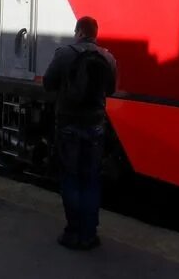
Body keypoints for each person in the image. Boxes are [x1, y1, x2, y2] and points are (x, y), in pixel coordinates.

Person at [43, 16, 117, 251]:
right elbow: (111, 89)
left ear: (79, 32)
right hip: (95, 126)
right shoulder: (108, 57)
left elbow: (48, 83)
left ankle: (73, 231)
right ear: (95, 33)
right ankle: (90, 233)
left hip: (68, 125)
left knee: (71, 178)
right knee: (91, 179)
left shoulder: (64, 54)